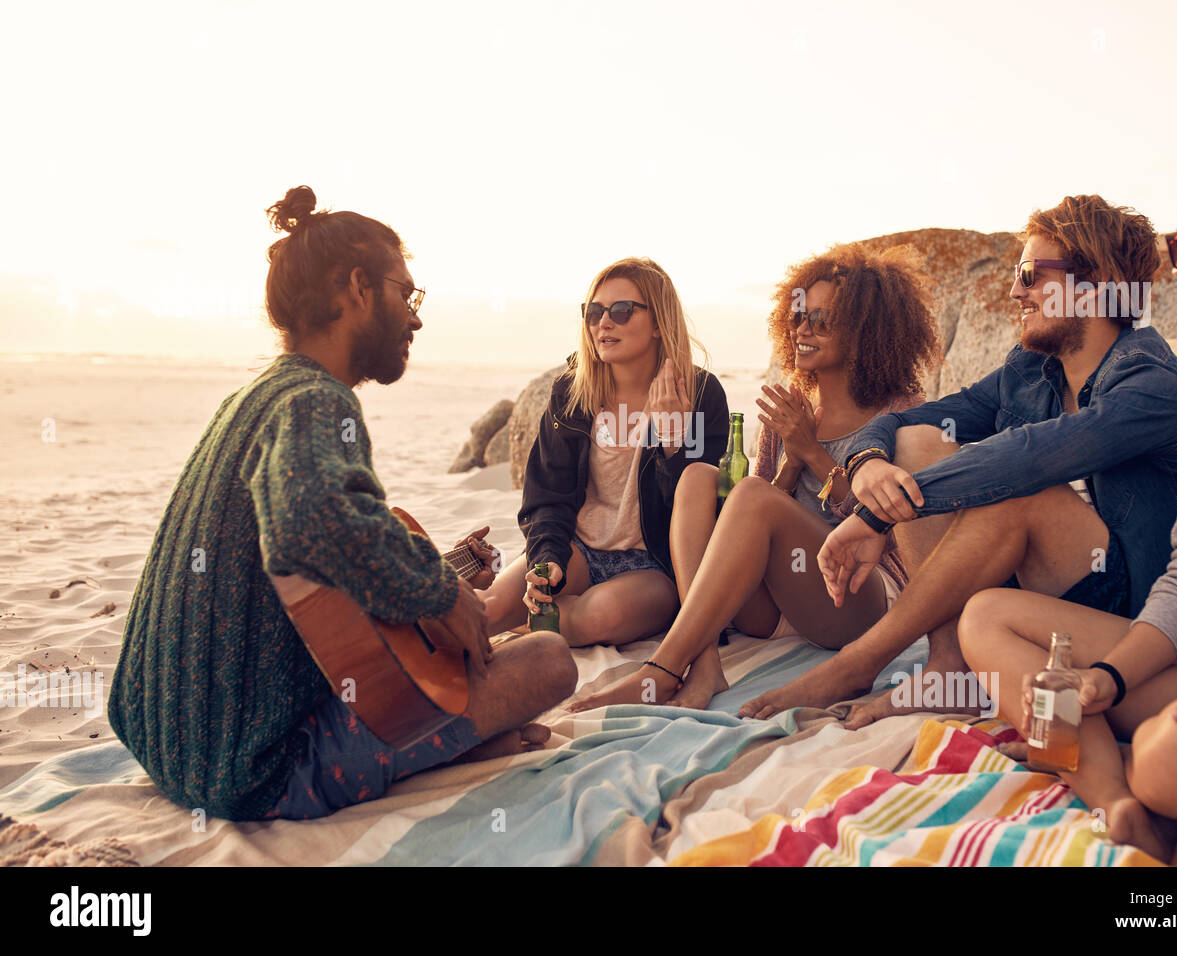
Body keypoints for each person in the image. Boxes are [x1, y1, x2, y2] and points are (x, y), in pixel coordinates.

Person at [107, 186, 576, 822]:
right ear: (357, 288)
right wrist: (438, 594)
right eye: (405, 295)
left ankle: (450, 742)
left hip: (160, 733)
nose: (414, 318)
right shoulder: (318, 401)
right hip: (253, 768)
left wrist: (439, 573)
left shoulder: (252, 401)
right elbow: (308, 523)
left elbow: (312, 571)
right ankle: (439, 750)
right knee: (548, 661)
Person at [959, 132, 1177, 861]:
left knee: (1169, 759)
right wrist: (1109, 680)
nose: (1174, 261)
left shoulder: (1153, 381)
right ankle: (1121, 807)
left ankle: (1163, 784)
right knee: (989, 617)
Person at [740, 195, 1177, 727]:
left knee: (1024, 497)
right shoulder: (1030, 372)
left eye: (1030, 274)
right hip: (1050, 596)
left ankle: (858, 662)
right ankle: (947, 668)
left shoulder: (1151, 383)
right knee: (917, 442)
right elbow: (910, 421)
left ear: (1091, 284)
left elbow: (1028, 457)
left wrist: (876, 515)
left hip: (1140, 622)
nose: (1015, 290)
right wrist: (865, 461)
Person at [568, 243, 941, 711]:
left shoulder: (904, 414)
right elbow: (758, 510)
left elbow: (897, 533)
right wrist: (790, 462)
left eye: (821, 320)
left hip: (855, 597)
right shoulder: (787, 411)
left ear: (868, 331)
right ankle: (703, 665)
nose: (803, 329)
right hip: (774, 603)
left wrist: (812, 453)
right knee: (699, 478)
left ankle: (661, 669)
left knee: (749, 494)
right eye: (798, 317)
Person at [479, 257, 730, 647]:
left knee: (588, 618)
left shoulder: (698, 395)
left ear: (660, 323)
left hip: (656, 565)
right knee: (491, 608)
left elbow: (696, 507)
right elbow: (547, 496)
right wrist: (548, 560)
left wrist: (672, 439)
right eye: (594, 312)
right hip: (577, 548)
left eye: (621, 311)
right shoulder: (572, 394)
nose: (603, 323)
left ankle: (526, 626)